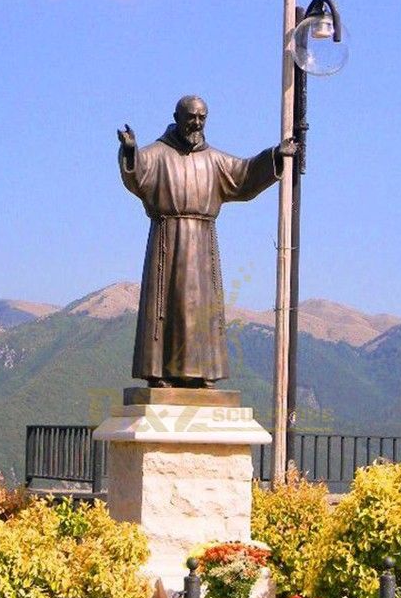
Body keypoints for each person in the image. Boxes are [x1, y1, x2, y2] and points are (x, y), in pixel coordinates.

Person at [118, 95, 293, 388]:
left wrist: (276, 155)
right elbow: (137, 174)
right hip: (167, 241)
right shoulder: (157, 154)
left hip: (202, 243)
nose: (197, 123)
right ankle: (160, 373)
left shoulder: (214, 160)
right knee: (166, 307)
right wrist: (131, 150)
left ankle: (199, 372)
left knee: (201, 309)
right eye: (191, 117)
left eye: (202, 117)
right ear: (176, 117)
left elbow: (245, 174)